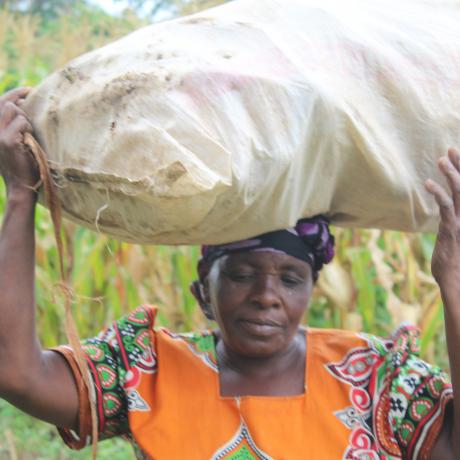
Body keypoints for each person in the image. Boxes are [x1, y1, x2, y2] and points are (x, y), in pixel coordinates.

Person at [0, 86, 458, 460]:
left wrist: (453, 282)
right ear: (202, 292)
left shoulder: (374, 377)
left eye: (290, 278)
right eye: (241, 274)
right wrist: (21, 196)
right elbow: (18, 374)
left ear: (312, 292)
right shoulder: (148, 368)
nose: (266, 295)